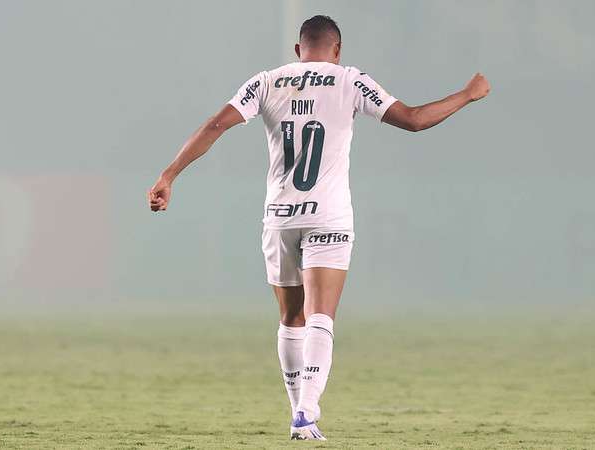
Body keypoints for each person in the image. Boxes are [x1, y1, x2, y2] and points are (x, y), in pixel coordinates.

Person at [148, 14, 490, 441]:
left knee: (291, 317)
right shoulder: (350, 80)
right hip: (327, 215)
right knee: (321, 315)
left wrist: (169, 174)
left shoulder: (267, 81)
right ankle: (306, 412)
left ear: (298, 50)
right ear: (337, 50)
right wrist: (468, 94)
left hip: (280, 217)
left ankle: (301, 413)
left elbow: (216, 126)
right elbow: (415, 119)